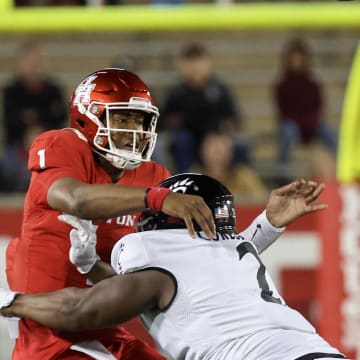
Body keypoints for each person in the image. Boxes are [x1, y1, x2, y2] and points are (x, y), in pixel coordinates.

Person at [0, 173, 348, 360]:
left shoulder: (161, 264)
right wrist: (92, 266)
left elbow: (81, 310)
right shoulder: (232, 250)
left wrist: (12, 302)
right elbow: (178, 285)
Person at [4, 67, 218, 360]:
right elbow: (74, 198)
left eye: (139, 121)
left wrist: (266, 227)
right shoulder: (62, 144)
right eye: (122, 118)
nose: (134, 131)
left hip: (104, 330)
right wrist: (155, 198)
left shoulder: (153, 174)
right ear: (88, 116)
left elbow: (147, 277)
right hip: (48, 335)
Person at [155, 42, 249, 173]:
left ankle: (241, 181)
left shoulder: (219, 89)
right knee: (181, 140)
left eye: (198, 62)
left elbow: (233, 118)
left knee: (239, 144)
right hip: (189, 139)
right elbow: (163, 122)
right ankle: (187, 178)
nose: (194, 68)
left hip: (216, 136)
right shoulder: (177, 92)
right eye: (190, 63)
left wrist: (222, 134)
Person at [1, 40, 67, 192]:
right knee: (14, 168)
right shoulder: (12, 90)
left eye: (36, 60)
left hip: (49, 144)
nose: (33, 65)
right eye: (29, 60)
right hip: (18, 146)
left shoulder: (53, 89)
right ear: (21, 62)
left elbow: (60, 116)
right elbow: (11, 119)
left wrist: (38, 131)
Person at [273, 38, 338, 173]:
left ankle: (342, 168)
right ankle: (281, 172)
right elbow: (284, 112)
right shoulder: (282, 85)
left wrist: (310, 123)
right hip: (293, 124)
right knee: (287, 132)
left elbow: (318, 107)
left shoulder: (313, 84)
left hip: (312, 123)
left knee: (332, 136)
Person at [190, 132, 268, 203]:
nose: (217, 156)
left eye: (221, 150)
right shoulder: (192, 177)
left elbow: (261, 200)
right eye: (214, 150)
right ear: (202, 153)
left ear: (231, 154)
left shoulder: (244, 176)